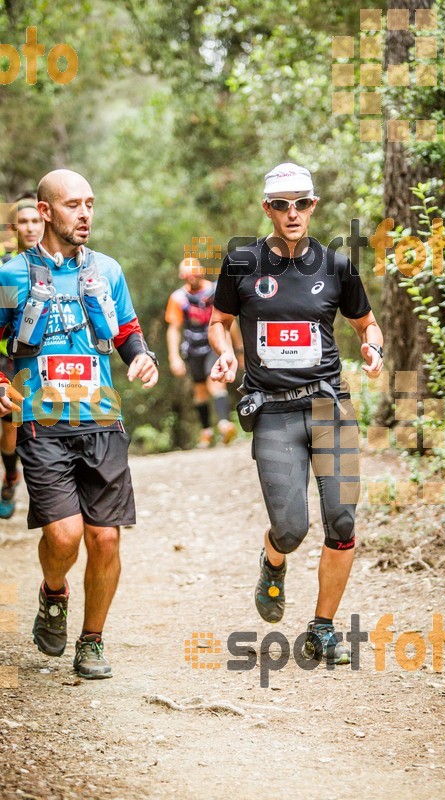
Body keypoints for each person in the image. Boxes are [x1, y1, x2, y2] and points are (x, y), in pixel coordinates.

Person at [208, 163, 384, 665]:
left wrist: (373, 350)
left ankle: (323, 627)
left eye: (301, 203)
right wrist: (224, 351)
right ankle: (273, 560)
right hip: (273, 413)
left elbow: (367, 325)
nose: (292, 212)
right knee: (290, 528)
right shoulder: (242, 261)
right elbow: (219, 322)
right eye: (281, 204)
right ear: (267, 208)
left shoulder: (336, 265)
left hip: (329, 403)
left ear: (313, 207)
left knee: (342, 520)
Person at [0, 169, 158, 679]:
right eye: (73, 204)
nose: (85, 213)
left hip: (102, 416)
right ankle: (53, 592)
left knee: (106, 539)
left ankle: (91, 641)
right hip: (41, 419)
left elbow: (128, 328)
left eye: (90, 203)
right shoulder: (11, 275)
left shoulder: (107, 270)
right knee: (65, 537)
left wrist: (141, 357)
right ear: (44, 212)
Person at [0, 194, 44, 518]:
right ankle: (13, 475)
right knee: (9, 422)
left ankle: (18, 476)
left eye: (36, 220)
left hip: (45, 363)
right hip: (9, 359)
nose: (30, 227)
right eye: (23, 221)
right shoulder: (9, 269)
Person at [166, 257, 241, 447]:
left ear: (202, 271)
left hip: (214, 344)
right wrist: (174, 357)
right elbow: (174, 328)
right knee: (199, 391)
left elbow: (228, 321)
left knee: (215, 382)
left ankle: (224, 425)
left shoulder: (216, 290)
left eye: (194, 273)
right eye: (187, 274)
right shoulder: (178, 298)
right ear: (182, 276)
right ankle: (206, 432)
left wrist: (238, 347)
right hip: (192, 348)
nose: (191, 277)